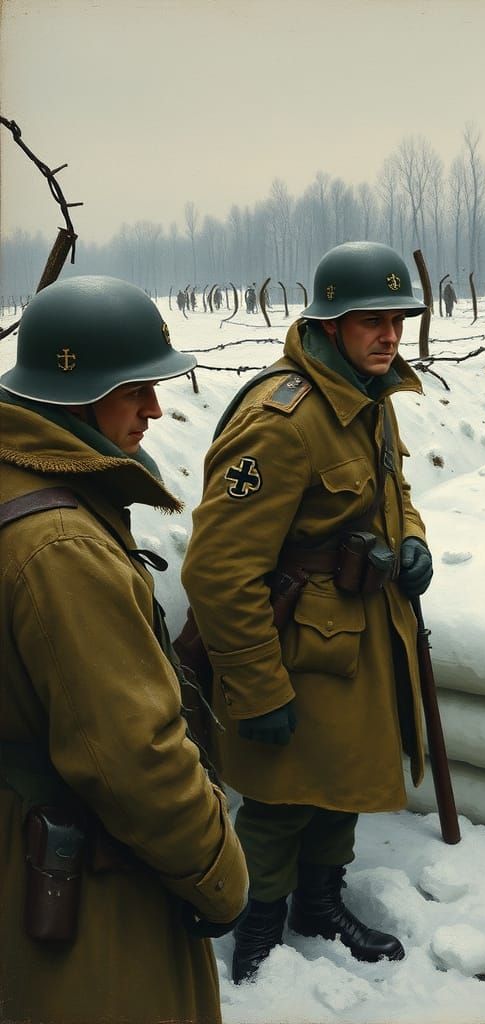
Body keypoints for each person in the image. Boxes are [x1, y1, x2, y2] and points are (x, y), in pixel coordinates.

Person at [181, 241, 435, 985]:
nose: (390, 335)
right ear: (329, 325)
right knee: (282, 800)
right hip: (294, 645)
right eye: (371, 321)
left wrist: (412, 543)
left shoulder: (368, 396)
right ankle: (258, 930)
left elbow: (396, 495)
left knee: (345, 782)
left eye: (398, 319)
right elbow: (218, 570)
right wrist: (256, 687)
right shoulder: (282, 421)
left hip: (360, 635)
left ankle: (320, 904)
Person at [0, 275, 249, 1024]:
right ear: (75, 396)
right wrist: (217, 875)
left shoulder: (25, 490)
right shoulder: (62, 545)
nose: (155, 408)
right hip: (81, 868)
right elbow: (131, 757)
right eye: (134, 388)